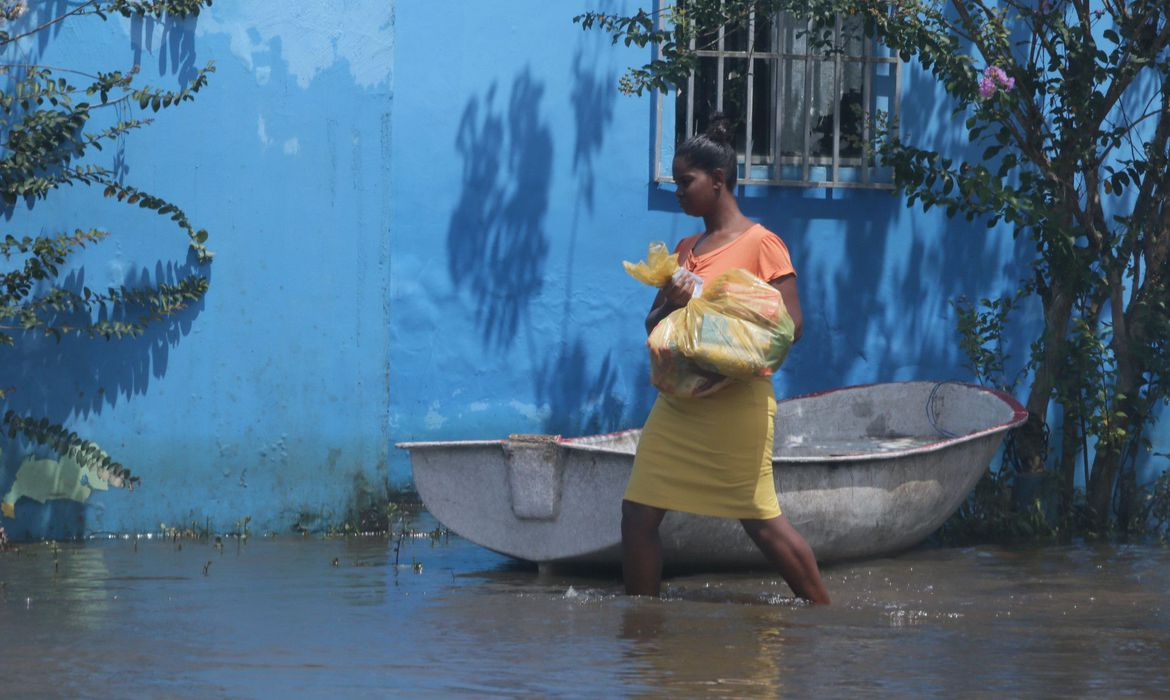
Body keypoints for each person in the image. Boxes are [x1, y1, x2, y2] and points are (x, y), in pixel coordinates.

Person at [623, 116, 831, 604]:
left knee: (759, 520)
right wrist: (672, 302)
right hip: (679, 405)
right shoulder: (685, 250)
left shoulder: (762, 244)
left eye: (685, 182)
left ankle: (821, 612)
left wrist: (734, 350)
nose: (678, 192)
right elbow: (655, 327)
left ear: (717, 181)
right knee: (637, 514)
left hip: (737, 402)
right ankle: (641, 628)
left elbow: (793, 324)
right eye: (674, 182)